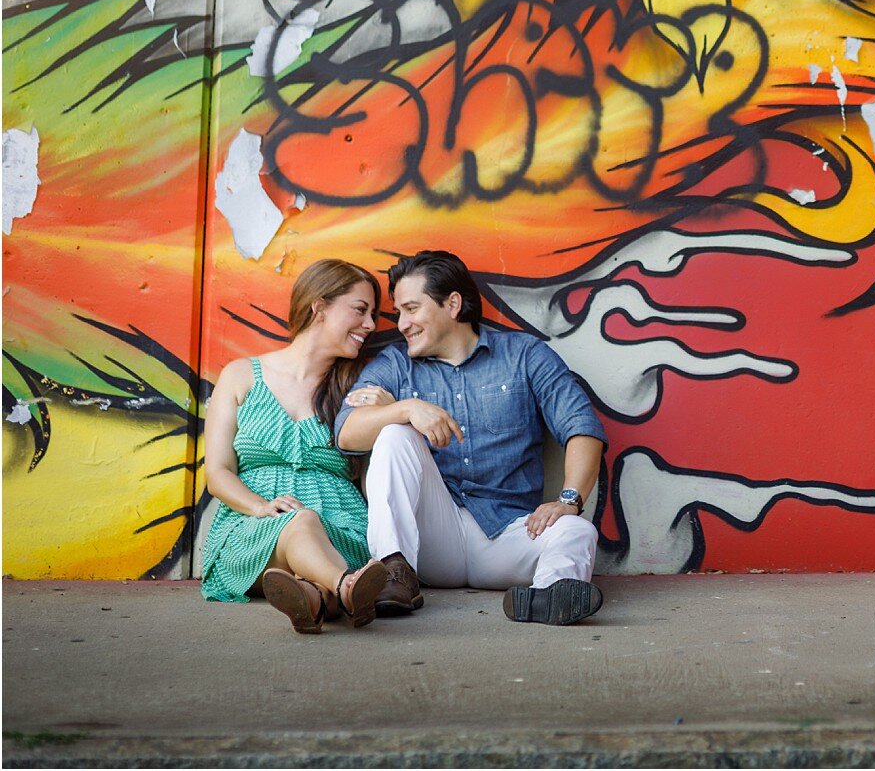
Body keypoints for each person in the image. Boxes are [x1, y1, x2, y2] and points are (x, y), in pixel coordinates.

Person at [335, 250, 607, 625]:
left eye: (412, 309)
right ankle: (393, 573)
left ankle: (548, 596)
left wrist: (568, 500)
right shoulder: (396, 365)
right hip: (432, 537)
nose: (401, 324)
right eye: (398, 312)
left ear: (452, 304)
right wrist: (406, 408)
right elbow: (348, 433)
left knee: (577, 530)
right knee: (395, 434)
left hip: (510, 532)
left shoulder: (523, 355)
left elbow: (582, 426)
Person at [200, 259, 389, 633]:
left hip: (341, 527)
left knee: (310, 529)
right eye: (360, 310)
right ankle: (346, 586)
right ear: (319, 306)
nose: (370, 325)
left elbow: (376, 475)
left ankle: (316, 598)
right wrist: (260, 506)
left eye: (373, 315)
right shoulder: (240, 375)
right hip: (250, 529)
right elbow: (217, 473)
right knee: (300, 521)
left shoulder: (359, 384)